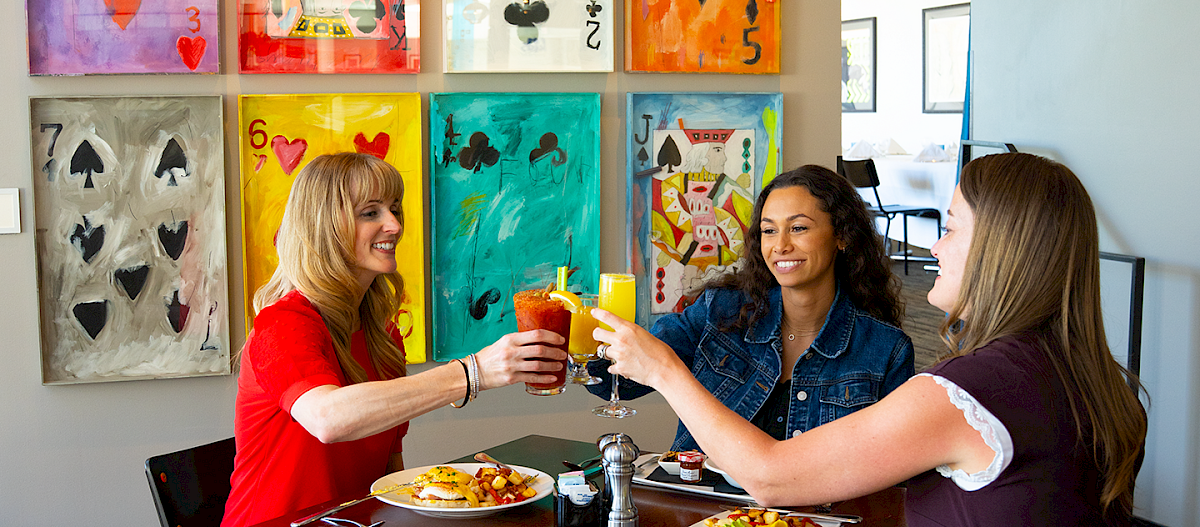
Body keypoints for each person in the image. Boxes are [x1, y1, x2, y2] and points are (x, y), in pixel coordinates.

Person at [594, 153, 1147, 526]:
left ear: (1002, 249)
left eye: (950, 227)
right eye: (767, 227)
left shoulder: (962, 391)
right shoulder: (1089, 378)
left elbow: (771, 478)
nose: (934, 246)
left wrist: (666, 370)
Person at [223, 153, 567, 527]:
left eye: (395, 209)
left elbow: (388, 472)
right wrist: (472, 372)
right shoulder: (284, 323)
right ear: (324, 226)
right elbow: (328, 418)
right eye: (370, 213)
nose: (394, 225)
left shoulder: (383, 337)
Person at [589, 164, 914, 450]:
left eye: (798, 228)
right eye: (769, 230)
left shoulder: (886, 350)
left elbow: (893, 470)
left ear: (842, 235)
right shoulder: (719, 312)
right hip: (705, 510)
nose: (781, 245)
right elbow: (619, 381)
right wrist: (566, 359)